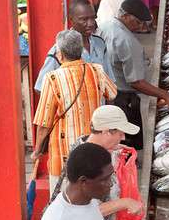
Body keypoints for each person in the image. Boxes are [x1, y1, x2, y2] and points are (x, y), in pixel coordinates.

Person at [32, 29, 117, 194]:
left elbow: (44, 124)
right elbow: (113, 92)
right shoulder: (97, 70)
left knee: (64, 200)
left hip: (64, 156)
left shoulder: (53, 79)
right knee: (92, 199)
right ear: (80, 51)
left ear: (60, 53)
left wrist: (37, 151)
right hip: (93, 148)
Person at [99, 0, 169, 151]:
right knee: (129, 144)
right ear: (126, 16)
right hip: (124, 101)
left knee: (110, 140)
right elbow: (136, 82)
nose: (142, 27)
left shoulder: (106, 26)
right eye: (138, 22)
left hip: (105, 93)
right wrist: (165, 95)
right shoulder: (127, 41)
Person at [35, 0, 115, 93]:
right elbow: (41, 88)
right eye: (84, 19)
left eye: (93, 18)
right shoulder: (60, 49)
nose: (90, 23)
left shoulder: (100, 44)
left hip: (99, 107)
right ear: (71, 20)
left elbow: (109, 84)